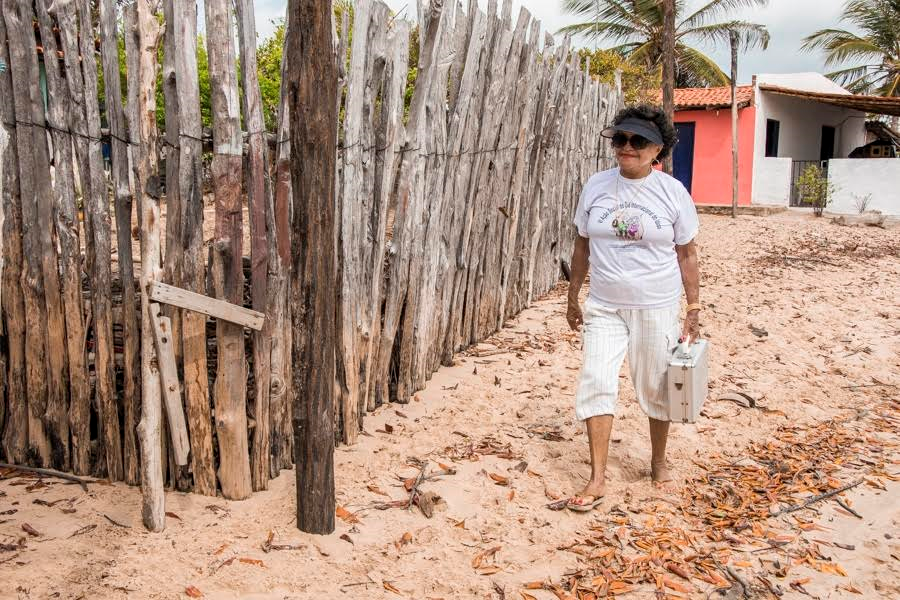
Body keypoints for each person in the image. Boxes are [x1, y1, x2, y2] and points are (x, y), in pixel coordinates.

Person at [565, 104, 701, 511]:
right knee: (596, 380)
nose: (627, 147)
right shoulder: (596, 185)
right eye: (620, 138)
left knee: (656, 385)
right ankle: (598, 476)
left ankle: (658, 463)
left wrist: (693, 306)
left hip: (655, 306)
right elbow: (582, 244)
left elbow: (687, 253)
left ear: (657, 148)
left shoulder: (672, 193)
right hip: (604, 304)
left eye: (638, 140)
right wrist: (574, 295)